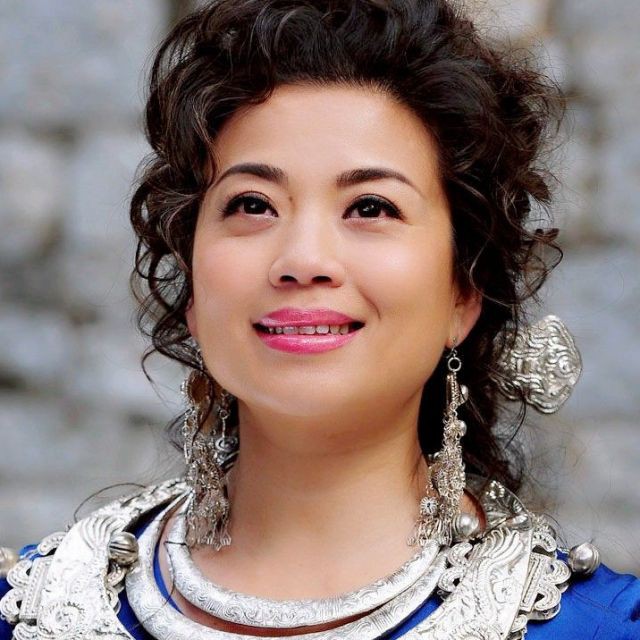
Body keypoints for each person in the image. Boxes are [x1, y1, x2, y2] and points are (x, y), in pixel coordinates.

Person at [1, 0, 638, 638]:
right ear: (192, 285)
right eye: (253, 204)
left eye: (371, 207)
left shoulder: (595, 627)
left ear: (463, 291)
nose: (303, 260)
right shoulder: (38, 610)